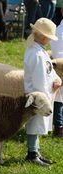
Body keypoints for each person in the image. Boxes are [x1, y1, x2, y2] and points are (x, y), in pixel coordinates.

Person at [24, 17, 61, 165]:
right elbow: (40, 79)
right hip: (38, 95)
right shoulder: (36, 54)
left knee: (38, 123)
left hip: (43, 93)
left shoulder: (40, 51)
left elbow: (49, 71)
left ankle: (36, 151)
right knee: (35, 123)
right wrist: (46, 93)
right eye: (49, 38)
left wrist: (56, 78)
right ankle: (32, 153)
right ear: (44, 37)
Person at [50, 5, 63, 137]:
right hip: (60, 68)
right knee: (59, 97)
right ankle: (59, 127)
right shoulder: (60, 31)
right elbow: (59, 53)